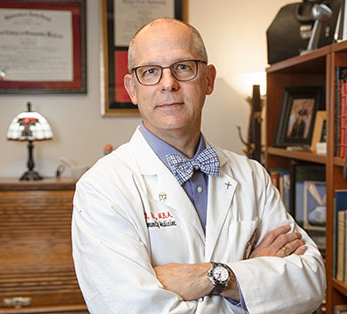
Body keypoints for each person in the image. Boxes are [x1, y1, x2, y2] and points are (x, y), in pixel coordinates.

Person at [72, 18, 325, 314]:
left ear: (208, 79)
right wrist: (251, 282)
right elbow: (129, 309)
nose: (168, 84)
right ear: (132, 89)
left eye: (183, 66)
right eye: (150, 71)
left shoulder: (252, 175)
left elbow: (310, 282)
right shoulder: (102, 187)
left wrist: (215, 277)